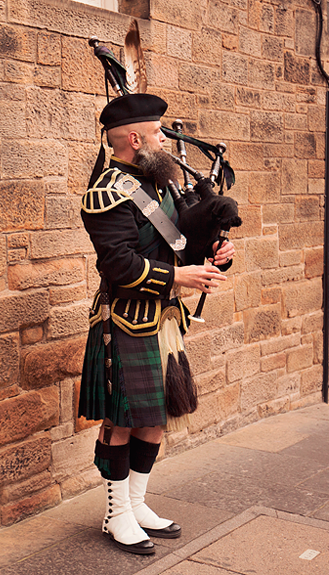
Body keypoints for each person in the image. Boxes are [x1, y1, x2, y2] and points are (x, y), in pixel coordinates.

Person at [79, 93, 236, 555]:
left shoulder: (161, 186)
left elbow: (181, 248)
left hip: (165, 319)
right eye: (157, 131)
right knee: (121, 420)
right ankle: (116, 514)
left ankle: (138, 502)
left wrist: (213, 258)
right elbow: (119, 265)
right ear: (134, 138)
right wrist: (180, 276)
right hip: (123, 322)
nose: (164, 137)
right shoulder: (105, 193)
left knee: (155, 417)